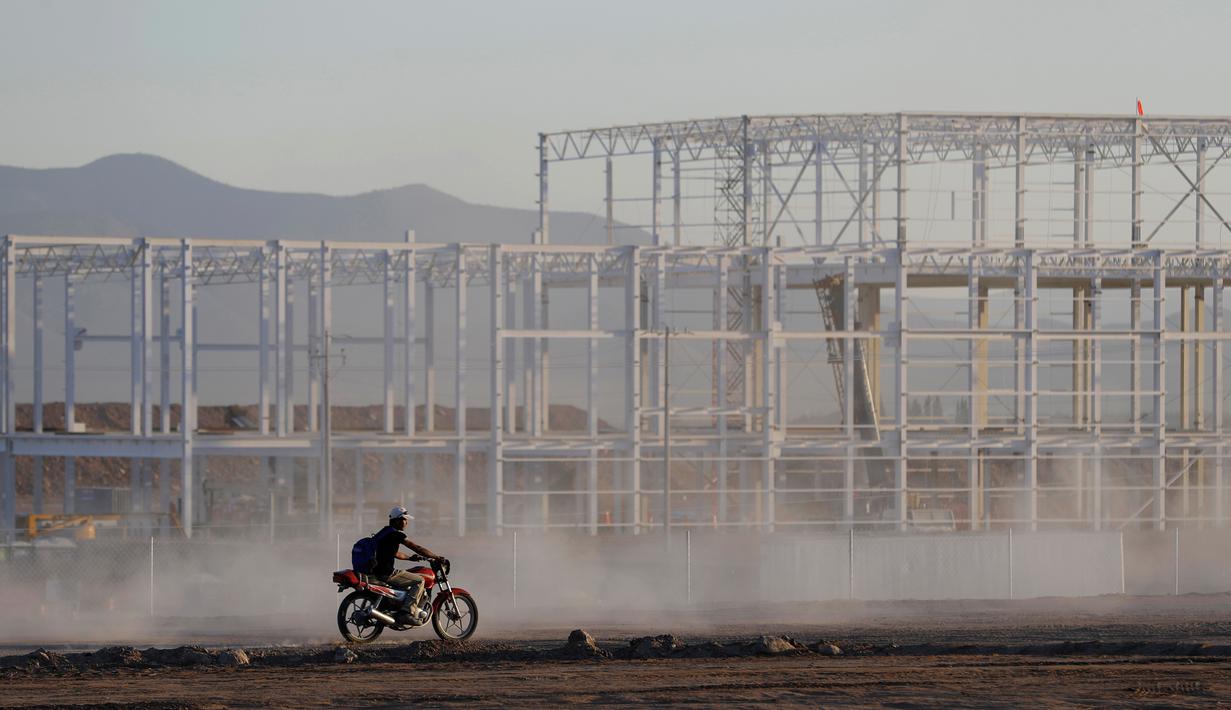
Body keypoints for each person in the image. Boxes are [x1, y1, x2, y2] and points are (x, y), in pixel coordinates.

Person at [372, 506, 443, 622]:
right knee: (419, 581)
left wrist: (410, 558)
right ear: (397, 520)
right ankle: (407, 612)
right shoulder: (396, 534)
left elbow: (394, 553)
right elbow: (417, 548)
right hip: (387, 572)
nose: (406, 523)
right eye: (405, 520)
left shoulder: (384, 532)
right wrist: (436, 557)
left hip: (375, 571)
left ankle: (397, 606)